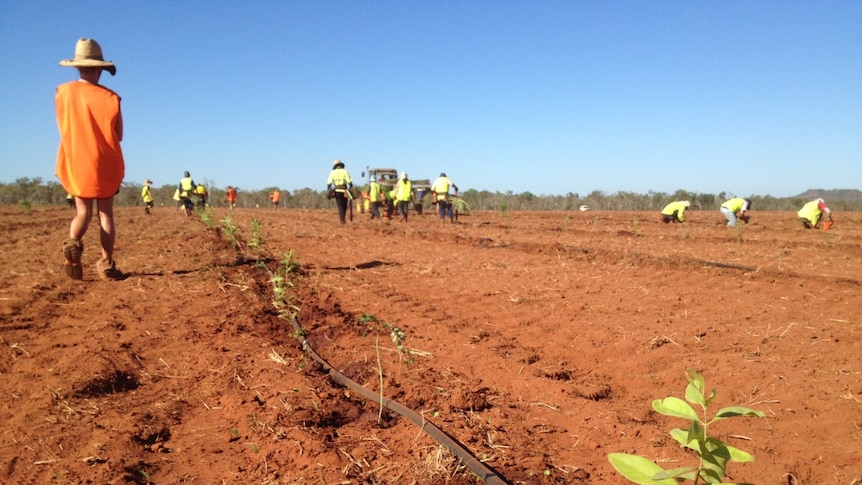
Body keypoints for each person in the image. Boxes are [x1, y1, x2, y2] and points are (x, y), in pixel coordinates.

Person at [55, 38, 124, 281]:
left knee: (82, 213)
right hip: (105, 162)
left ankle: (72, 244)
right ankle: (106, 264)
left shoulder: (63, 93)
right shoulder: (112, 98)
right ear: (98, 68)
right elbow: (119, 135)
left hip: (77, 160)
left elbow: (63, 126)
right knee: (105, 214)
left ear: (78, 67)